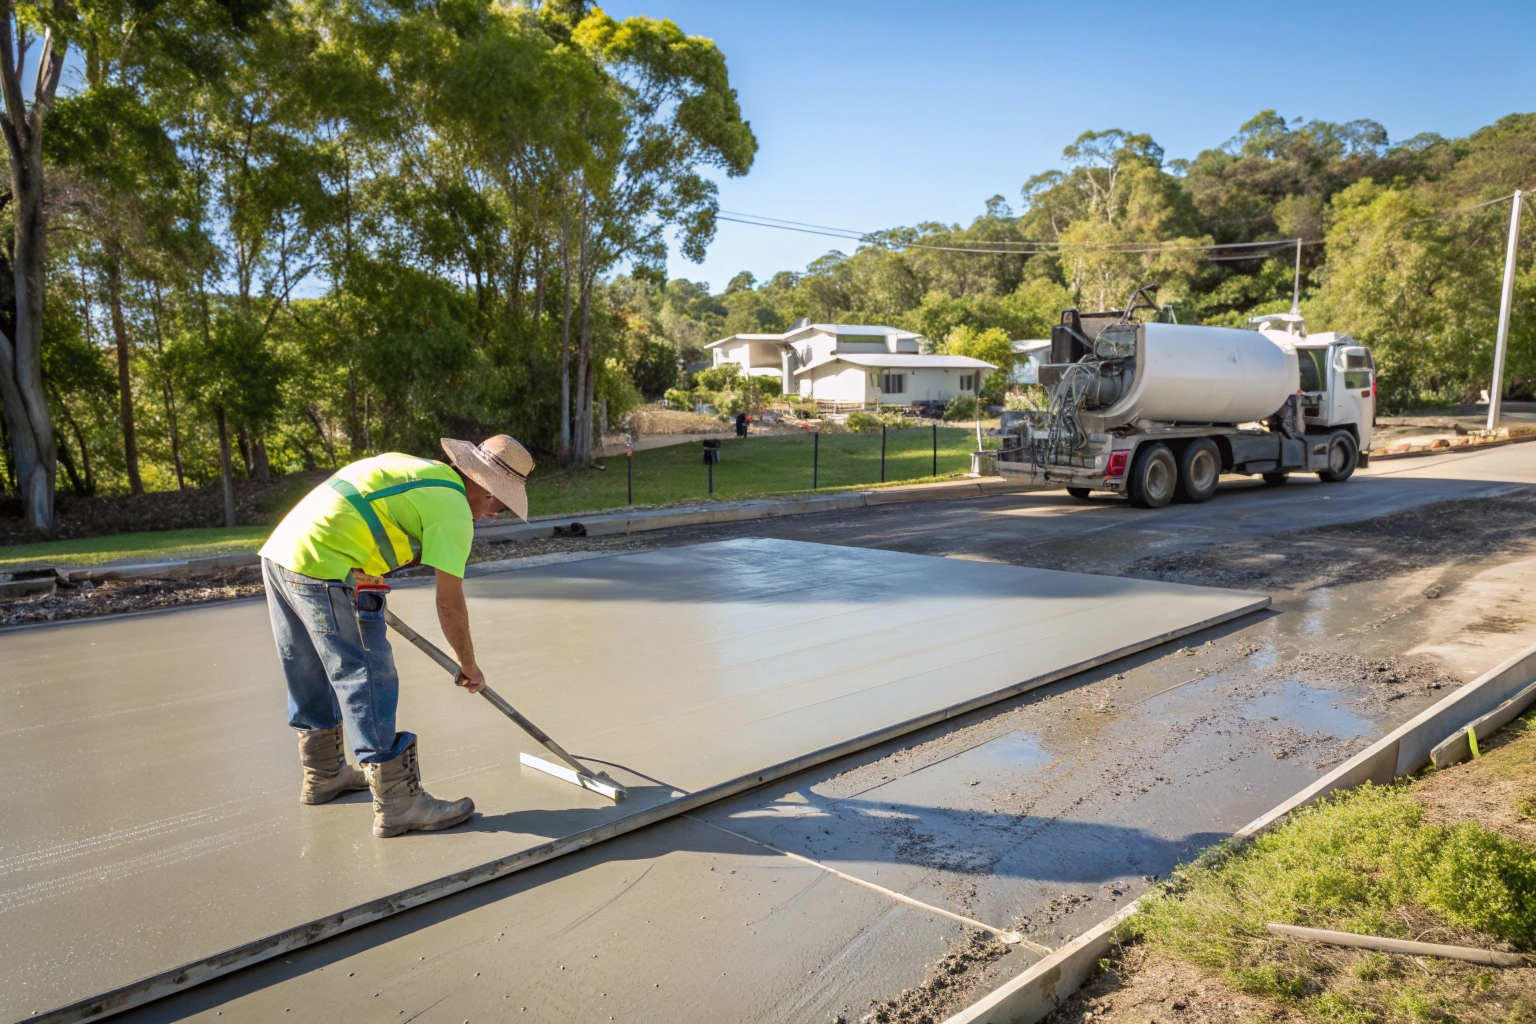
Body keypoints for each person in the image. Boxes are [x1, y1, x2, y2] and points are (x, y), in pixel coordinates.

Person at [258, 435, 533, 838]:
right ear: (483, 485)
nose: (495, 514)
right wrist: (468, 664)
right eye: (499, 503)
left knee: (306, 666)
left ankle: (324, 774)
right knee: (367, 673)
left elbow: (373, 519)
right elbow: (450, 605)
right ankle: (399, 803)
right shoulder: (454, 511)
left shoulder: (421, 473)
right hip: (325, 565)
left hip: (283, 553)